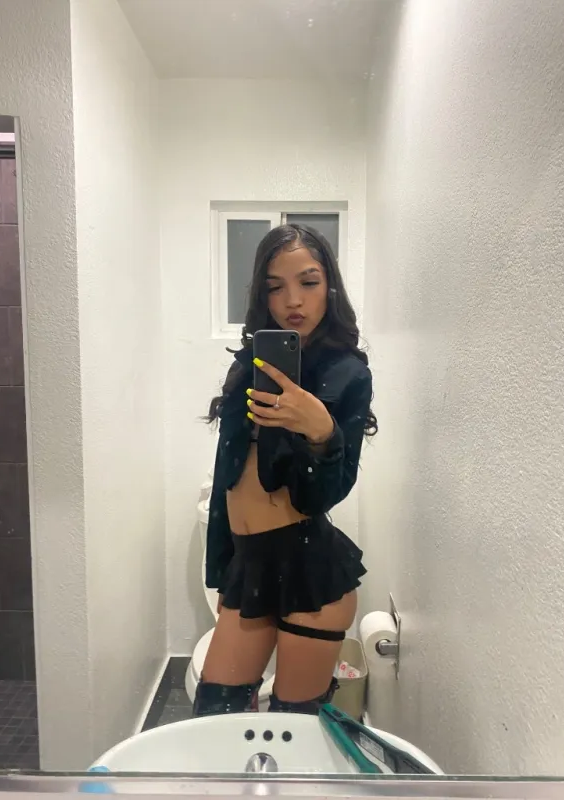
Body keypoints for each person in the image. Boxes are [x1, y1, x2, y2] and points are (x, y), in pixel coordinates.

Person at [196, 223, 377, 717]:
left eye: (309, 282)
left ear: (329, 286)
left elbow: (321, 497)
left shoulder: (347, 374)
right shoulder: (248, 367)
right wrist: (223, 574)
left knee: (293, 729)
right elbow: (227, 481)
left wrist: (322, 434)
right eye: (276, 287)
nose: (292, 300)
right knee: (215, 716)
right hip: (248, 567)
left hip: (308, 572)